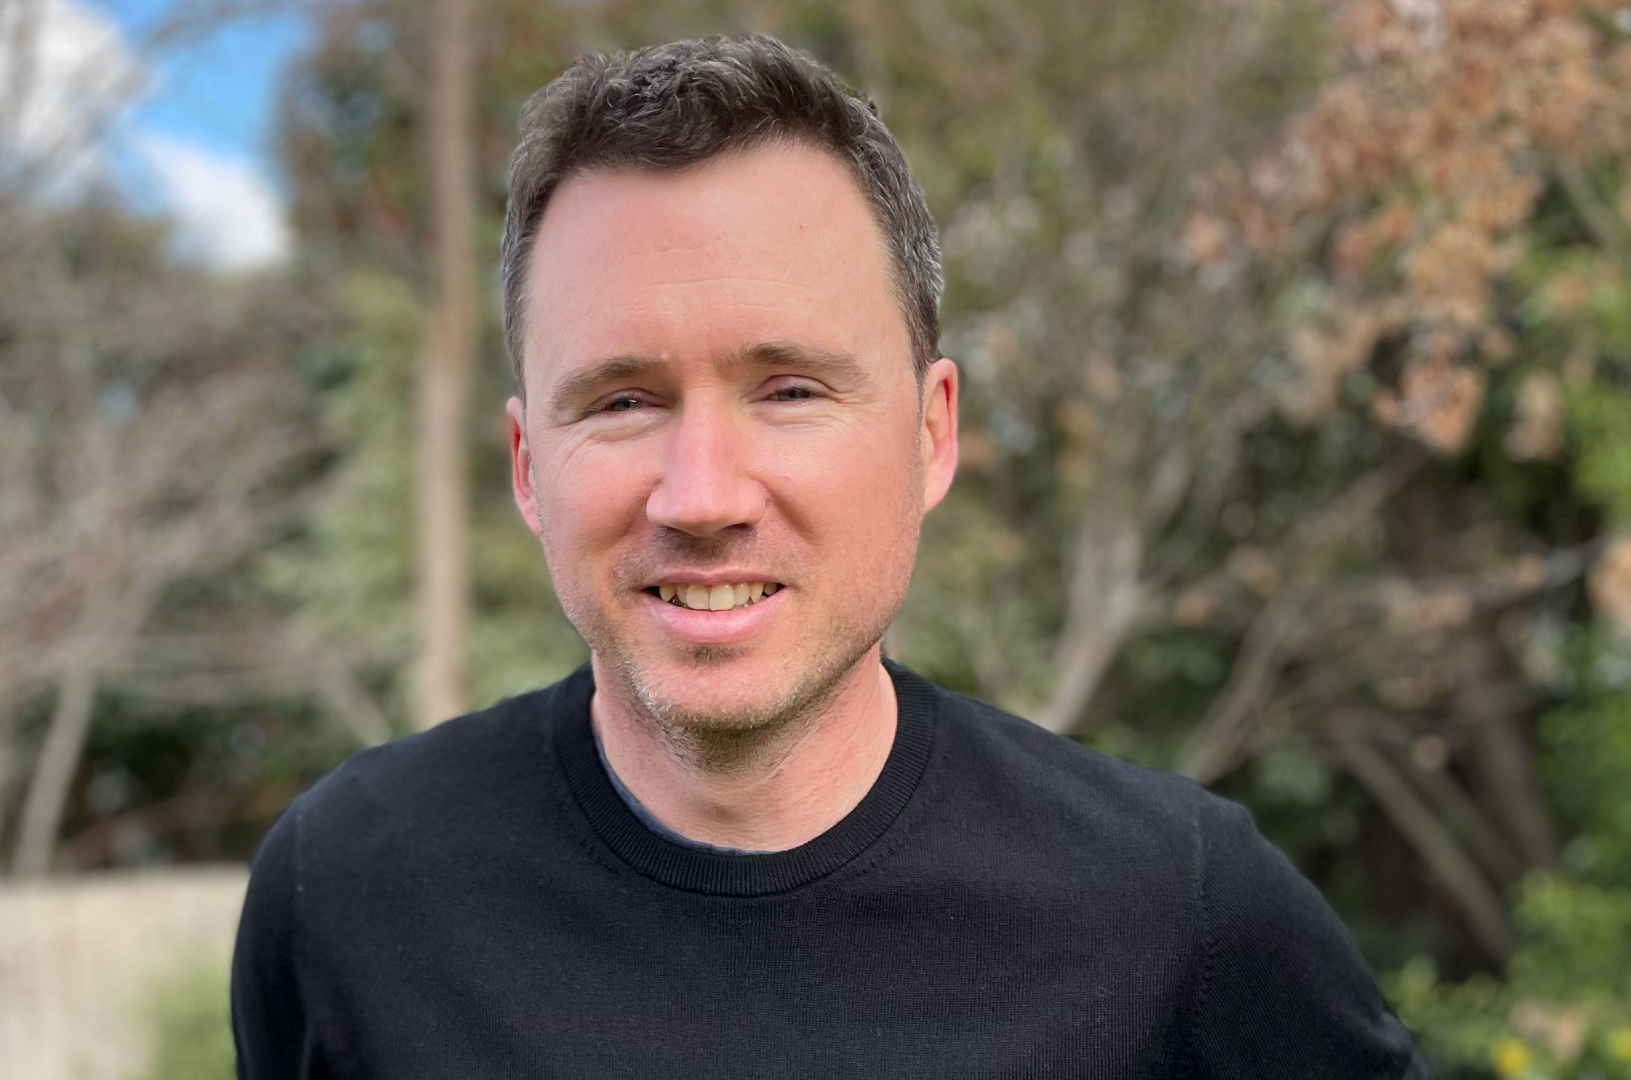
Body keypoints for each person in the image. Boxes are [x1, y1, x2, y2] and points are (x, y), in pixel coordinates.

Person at [231, 34, 1433, 1079]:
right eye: (621, 402)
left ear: (932, 431)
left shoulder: (1185, 918)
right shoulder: (344, 893)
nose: (701, 496)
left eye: (791, 389)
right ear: (527, 464)